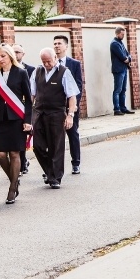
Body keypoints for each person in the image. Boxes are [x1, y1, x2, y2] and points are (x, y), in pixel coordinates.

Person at [0, 44, 33, 204]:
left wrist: (28, 121)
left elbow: (28, 100)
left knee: (14, 153)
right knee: (0, 154)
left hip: (16, 119)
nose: (1, 60)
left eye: (3, 56)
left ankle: (12, 188)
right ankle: (14, 179)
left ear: (10, 56)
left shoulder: (21, 73)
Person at [30, 48, 79, 189]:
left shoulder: (64, 72)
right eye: (43, 62)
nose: (46, 64)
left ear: (55, 58)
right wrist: (28, 114)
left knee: (56, 147)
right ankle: (50, 171)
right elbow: (32, 94)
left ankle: (55, 178)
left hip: (57, 114)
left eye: (49, 61)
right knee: (38, 146)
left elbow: (71, 96)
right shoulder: (37, 72)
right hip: (39, 113)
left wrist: (70, 116)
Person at [53, 35, 84, 175]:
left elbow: (78, 85)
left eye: (59, 43)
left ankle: (76, 162)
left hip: (71, 106)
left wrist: (74, 105)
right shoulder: (50, 63)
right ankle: (54, 166)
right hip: (55, 107)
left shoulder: (74, 64)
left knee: (72, 134)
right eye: (54, 44)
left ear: (66, 46)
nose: (56, 46)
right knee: (55, 137)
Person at [12, 44, 35, 175]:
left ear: (23, 54)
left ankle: (23, 160)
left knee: (25, 137)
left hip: (26, 107)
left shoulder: (30, 69)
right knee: (17, 138)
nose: (15, 54)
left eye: (18, 52)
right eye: (13, 51)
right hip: (13, 108)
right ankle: (20, 163)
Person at [110, 26, 135, 115]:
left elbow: (128, 55)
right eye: (122, 34)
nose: (123, 35)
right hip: (118, 70)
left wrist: (128, 58)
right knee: (117, 90)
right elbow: (123, 57)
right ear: (117, 33)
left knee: (123, 89)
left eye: (124, 34)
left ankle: (123, 108)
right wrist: (127, 58)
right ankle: (117, 109)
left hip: (124, 69)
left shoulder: (120, 43)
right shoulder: (114, 44)